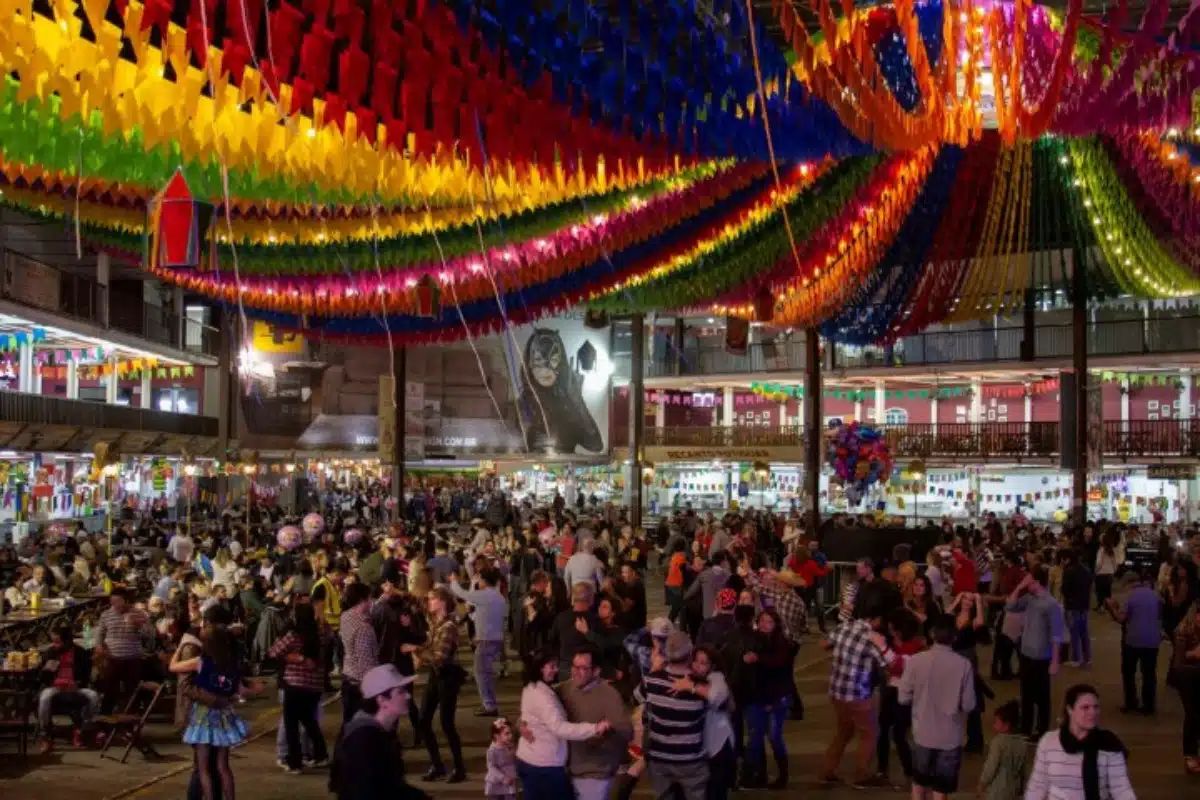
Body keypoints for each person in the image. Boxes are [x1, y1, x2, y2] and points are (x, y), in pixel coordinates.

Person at [170, 613, 252, 800]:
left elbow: (173, 667)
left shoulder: (201, 662)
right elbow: (240, 691)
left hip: (203, 716)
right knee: (223, 766)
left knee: (204, 768)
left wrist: (181, 646)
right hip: (224, 716)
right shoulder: (232, 664)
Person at [819, 600, 897, 788]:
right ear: (876, 619)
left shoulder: (844, 627)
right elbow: (888, 664)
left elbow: (823, 644)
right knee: (869, 733)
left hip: (837, 691)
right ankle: (861, 775)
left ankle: (826, 771)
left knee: (843, 732)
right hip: (857, 693)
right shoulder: (872, 638)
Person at [899, 613, 977, 800]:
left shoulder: (916, 661)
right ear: (955, 637)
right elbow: (968, 705)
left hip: (922, 735)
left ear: (932, 634)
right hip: (950, 737)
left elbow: (903, 698)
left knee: (919, 786)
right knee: (940, 791)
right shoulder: (964, 665)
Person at [515, 649, 610, 800]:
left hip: (532, 760)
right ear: (540, 668)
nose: (556, 670)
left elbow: (529, 714)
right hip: (544, 765)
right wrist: (594, 728)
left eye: (584, 668)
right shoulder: (545, 694)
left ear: (596, 671)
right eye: (551, 666)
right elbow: (558, 727)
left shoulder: (535, 687)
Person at [329, 663, 428, 800]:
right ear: (382, 700)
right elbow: (362, 791)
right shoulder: (364, 739)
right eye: (400, 692)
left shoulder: (379, 732)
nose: (408, 696)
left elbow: (391, 786)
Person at [1025, 684, 1135, 800]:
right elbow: (1037, 785)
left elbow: (1121, 788)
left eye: (1096, 707)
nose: (1093, 712)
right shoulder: (1049, 741)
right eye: (1085, 707)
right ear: (1070, 710)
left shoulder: (1109, 744)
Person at [557, 645, 632, 800]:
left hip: (595, 773)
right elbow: (539, 706)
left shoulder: (609, 695)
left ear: (596, 671)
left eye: (583, 668)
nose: (576, 672)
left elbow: (627, 731)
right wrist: (522, 723)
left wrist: (607, 733)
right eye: (574, 666)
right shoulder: (563, 689)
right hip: (566, 770)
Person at [641, 631, 710, 800]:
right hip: (691, 758)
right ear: (690, 655)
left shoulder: (651, 681)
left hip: (659, 757)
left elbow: (638, 696)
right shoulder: (700, 685)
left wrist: (654, 669)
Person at [409, 586, 467, 782]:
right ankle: (437, 764)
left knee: (447, 723)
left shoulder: (448, 627)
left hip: (447, 677)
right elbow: (429, 647)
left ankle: (459, 768)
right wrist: (417, 648)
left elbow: (439, 657)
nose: (429, 603)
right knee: (424, 720)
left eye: (432, 599)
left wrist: (417, 651)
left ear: (442, 602)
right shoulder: (436, 623)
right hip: (436, 676)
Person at [267, 603, 330, 774]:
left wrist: (292, 657)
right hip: (315, 685)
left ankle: (294, 762)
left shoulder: (293, 636)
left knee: (291, 725)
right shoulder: (321, 635)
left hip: (294, 685)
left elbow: (272, 652)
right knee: (310, 722)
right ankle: (320, 754)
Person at [1006, 566, 1065, 739]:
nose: (1026, 584)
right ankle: (1025, 727)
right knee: (1027, 694)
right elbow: (1010, 606)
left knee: (1042, 696)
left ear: (1037, 582)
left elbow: (1057, 635)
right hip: (1026, 653)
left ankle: (1041, 730)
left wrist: (1055, 661)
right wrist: (1019, 588)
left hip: (1041, 656)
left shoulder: (1052, 604)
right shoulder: (1028, 599)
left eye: (1029, 581)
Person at [742, 608, 793, 789]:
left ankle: (783, 775)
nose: (764, 625)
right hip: (758, 696)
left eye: (769, 622)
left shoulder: (782, 643)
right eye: (762, 621)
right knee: (755, 736)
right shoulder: (754, 639)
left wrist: (758, 659)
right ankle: (755, 775)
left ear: (776, 624)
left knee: (774, 736)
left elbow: (779, 665)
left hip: (777, 698)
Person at [449, 567, 507, 716]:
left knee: (481, 673)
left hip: (486, 640)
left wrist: (454, 582)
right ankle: (489, 703)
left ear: (485, 581)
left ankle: (489, 705)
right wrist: (473, 616)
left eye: (479, 579)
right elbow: (484, 616)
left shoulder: (485, 595)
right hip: (495, 639)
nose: (478, 581)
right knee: (485, 672)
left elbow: (462, 594)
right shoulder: (498, 596)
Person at [1105, 568, 1162, 715]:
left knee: (1129, 672)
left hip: (1133, 640)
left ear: (1129, 583)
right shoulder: (1155, 596)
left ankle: (1131, 703)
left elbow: (1121, 618)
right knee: (1149, 673)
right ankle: (1149, 706)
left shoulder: (1130, 596)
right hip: (1152, 640)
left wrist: (1112, 608)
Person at [36, 624, 99, 753]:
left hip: (75, 687)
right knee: (44, 698)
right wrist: (46, 671)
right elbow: (42, 678)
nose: (56, 645)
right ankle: (45, 734)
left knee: (93, 696)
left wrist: (77, 683)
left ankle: (83, 729)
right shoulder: (51, 652)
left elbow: (86, 675)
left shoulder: (80, 653)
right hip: (55, 687)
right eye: (54, 642)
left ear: (67, 641)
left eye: (58, 642)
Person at [95, 587, 153, 713]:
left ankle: (130, 722)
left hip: (133, 658)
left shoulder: (139, 613)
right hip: (113, 658)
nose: (115, 605)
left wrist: (137, 626)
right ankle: (105, 721)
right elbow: (100, 634)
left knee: (132, 692)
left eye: (117, 602)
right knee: (110, 690)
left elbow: (149, 635)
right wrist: (99, 646)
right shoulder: (106, 615)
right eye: (112, 602)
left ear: (126, 600)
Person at [339, 582, 379, 726]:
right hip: (359, 684)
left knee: (348, 723)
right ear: (363, 600)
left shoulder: (345, 617)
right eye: (369, 598)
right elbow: (365, 662)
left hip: (347, 676)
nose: (372, 602)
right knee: (361, 726)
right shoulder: (364, 629)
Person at [1170, 600, 1200, 774]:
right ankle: (1190, 755)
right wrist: (1194, 654)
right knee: (1193, 715)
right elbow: (1178, 662)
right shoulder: (1183, 631)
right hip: (1186, 676)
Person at [549, 582, 601, 680]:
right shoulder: (595, 620)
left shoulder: (561, 618)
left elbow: (552, 643)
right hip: (587, 671)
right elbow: (600, 647)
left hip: (565, 669)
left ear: (573, 597)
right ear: (590, 599)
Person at [978, 701, 1028, 800]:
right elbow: (1024, 771)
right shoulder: (1023, 744)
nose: (994, 725)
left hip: (997, 791)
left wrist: (982, 782)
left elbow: (991, 766)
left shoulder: (998, 743)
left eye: (996, 722)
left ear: (1006, 725)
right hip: (1014, 791)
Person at [1060, 549, 1093, 668]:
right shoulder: (1086, 570)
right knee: (1084, 632)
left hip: (1072, 605)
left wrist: (1068, 598)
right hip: (1084, 604)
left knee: (1074, 632)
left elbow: (1064, 589)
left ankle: (1076, 658)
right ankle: (1087, 657)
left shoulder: (1068, 571)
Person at [684, 550, 732, 619]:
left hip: (708, 612)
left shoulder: (703, 575)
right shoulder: (728, 576)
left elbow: (692, 590)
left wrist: (684, 597)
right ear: (723, 562)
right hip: (724, 612)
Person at [486, 718, 519, 800]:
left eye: (511, 733)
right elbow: (491, 767)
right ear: (496, 736)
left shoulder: (510, 746)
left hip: (510, 784)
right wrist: (502, 777)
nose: (510, 736)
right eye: (507, 734)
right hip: (496, 785)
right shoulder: (492, 750)